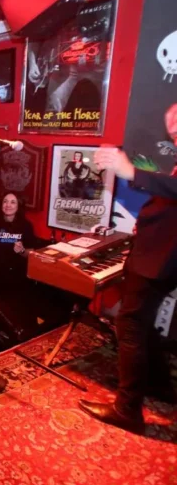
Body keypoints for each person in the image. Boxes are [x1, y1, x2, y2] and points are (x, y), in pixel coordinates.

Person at [79, 109, 177, 430]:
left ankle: (127, 409)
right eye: (170, 124)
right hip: (156, 256)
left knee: (131, 325)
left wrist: (131, 171)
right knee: (144, 325)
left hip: (158, 260)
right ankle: (158, 384)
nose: (172, 128)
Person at [0, 192, 37, 293]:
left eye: (13, 202)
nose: (8, 205)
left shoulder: (26, 226)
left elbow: (31, 253)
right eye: (5, 201)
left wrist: (22, 251)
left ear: (18, 206)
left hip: (18, 274)